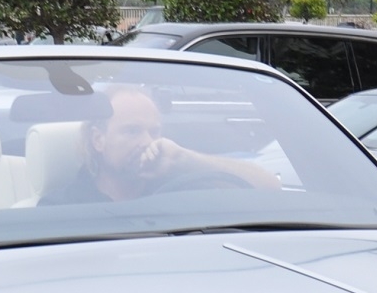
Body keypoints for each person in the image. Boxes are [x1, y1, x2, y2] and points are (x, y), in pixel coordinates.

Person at [37, 86, 280, 204]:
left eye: (154, 132)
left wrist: (187, 160)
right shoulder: (62, 207)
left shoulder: (180, 189)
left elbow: (270, 189)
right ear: (98, 139)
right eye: (132, 131)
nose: (147, 142)